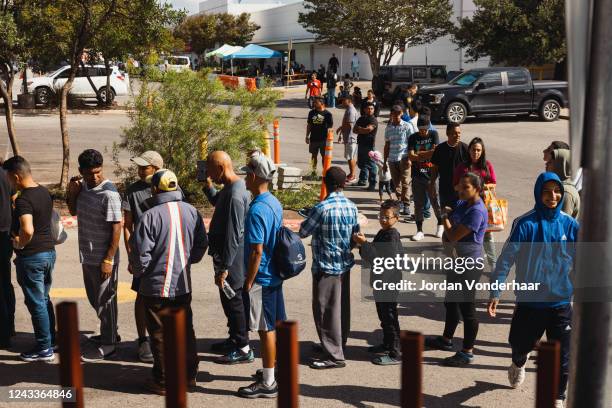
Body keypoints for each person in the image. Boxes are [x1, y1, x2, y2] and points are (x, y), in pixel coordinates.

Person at [488, 172, 579, 408]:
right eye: (547, 191)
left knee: (563, 359)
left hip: (560, 303)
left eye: (557, 191)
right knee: (519, 345)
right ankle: (519, 361)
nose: (553, 196)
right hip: (530, 303)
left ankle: (558, 398)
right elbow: (506, 259)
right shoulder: (525, 224)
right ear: (538, 193)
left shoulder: (570, 225)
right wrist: (496, 290)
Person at [129, 169, 208, 394]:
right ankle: (189, 376)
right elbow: (202, 244)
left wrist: (140, 272)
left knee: (160, 335)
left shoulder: (150, 216)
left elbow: (140, 255)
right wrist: (186, 261)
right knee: (185, 331)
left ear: (155, 189)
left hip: (155, 287)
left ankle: (163, 381)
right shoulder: (192, 212)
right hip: (182, 284)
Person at [299, 166, 360, 369]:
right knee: (341, 308)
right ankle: (337, 344)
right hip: (344, 264)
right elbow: (355, 235)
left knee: (325, 310)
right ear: (343, 184)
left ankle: (334, 356)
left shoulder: (322, 208)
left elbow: (303, 231)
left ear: (326, 183)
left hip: (325, 266)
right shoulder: (352, 206)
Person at [425, 173, 488, 367]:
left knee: (467, 310)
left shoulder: (477, 211)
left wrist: (444, 217)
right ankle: (446, 340)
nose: (460, 190)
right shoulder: (463, 204)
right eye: (459, 186)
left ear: (477, 189)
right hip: (455, 261)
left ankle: (467, 352)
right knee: (450, 303)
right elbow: (450, 232)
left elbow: (452, 234)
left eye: (465, 187)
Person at [237, 151, 286, 398]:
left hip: (263, 278)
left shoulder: (257, 210)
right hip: (274, 275)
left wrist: (248, 281)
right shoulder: (273, 202)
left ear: (254, 176)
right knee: (273, 326)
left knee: (265, 329)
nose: (244, 178)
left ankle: (268, 383)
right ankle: (272, 371)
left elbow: (257, 251)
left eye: (246, 174)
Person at [67, 149, 122, 362]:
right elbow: (73, 211)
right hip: (87, 255)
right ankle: (110, 333)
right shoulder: (83, 188)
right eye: (90, 173)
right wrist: (73, 192)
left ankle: (109, 344)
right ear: (81, 171)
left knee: (105, 300)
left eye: (98, 172)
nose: (95, 177)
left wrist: (108, 259)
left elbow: (117, 227)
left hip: (103, 258)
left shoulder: (109, 193)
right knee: (95, 298)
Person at [3, 156, 56, 362]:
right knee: (44, 298)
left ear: (16, 176)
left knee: (36, 303)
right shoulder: (43, 191)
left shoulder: (25, 199)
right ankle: (51, 339)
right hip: (48, 253)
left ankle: (44, 348)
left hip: (32, 256)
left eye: (8, 178)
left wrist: (19, 243)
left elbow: (27, 228)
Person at [203, 151, 253, 364]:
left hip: (231, 258)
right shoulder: (230, 189)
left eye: (211, 170)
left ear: (221, 168)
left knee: (234, 300)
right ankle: (234, 338)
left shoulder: (234, 194)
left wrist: (225, 266)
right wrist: (209, 188)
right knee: (229, 299)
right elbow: (220, 205)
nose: (209, 173)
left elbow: (234, 234)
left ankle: (243, 348)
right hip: (226, 257)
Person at [122, 151, 164, 364]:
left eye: (144, 167)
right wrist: (131, 254)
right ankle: (142, 340)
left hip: (165, 253)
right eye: (138, 167)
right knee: (141, 296)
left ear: (156, 169)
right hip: (144, 253)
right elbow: (127, 226)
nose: (139, 171)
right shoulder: (132, 191)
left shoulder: (169, 187)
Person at [353, 199, 402, 365]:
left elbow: (379, 259)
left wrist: (364, 244)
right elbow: (371, 256)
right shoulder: (383, 233)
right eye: (381, 215)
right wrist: (362, 245)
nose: (383, 219)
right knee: (383, 315)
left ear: (397, 218)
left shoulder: (392, 236)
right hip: (381, 282)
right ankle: (387, 344)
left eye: (387, 217)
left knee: (389, 317)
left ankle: (395, 352)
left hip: (389, 283)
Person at [453, 137, 497, 269]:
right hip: (466, 207)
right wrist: (467, 190)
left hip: (484, 206)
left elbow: (493, 184)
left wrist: (479, 189)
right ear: (469, 150)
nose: (476, 153)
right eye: (473, 150)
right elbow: (455, 186)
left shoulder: (487, 165)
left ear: (482, 151)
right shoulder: (462, 167)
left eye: (478, 150)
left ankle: (493, 265)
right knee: (466, 236)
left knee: (488, 236)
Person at [408, 115, 442, 240]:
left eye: (425, 129)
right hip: (417, 176)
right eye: (421, 129)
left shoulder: (434, 134)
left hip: (431, 175)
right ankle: (419, 230)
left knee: (436, 202)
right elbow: (411, 156)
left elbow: (436, 152)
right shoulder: (413, 137)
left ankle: (440, 224)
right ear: (418, 128)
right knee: (418, 204)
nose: (424, 131)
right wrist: (427, 154)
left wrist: (419, 154)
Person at [384, 104, 417, 218]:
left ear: (402, 114)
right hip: (392, 159)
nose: (396, 116)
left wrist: (410, 158)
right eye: (394, 114)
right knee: (396, 184)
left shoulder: (407, 126)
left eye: (398, 113)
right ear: (391, 115)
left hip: (404, 158)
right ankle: (400, 202)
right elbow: (387, 145)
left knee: (405, 182)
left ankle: (406, 204)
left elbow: (412, 143)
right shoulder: (388, 128)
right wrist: (384, 162)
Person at [430, 123, 469, 210]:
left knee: (460, 218)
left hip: (461, 190)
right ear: (447, 133)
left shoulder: (465, 149)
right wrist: (432, 184)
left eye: (459, 133)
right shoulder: (440, 149)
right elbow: (434, 168)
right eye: (455, 133)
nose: (457, 135)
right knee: (446, 217)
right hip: (445, 190)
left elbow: (471, 170)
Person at [0, 164, 15, 349]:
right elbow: (14, 201)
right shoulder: (7, 174)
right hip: (6, 235)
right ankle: (9, 327)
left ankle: (3, 335)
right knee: (5, 283)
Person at [546, 149, 580, 218]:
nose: (546, 164)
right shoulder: (558, 186)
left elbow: (562, 225)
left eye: (550, 162)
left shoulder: (566, 192)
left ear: (560, 165)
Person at [354, 102, 378, 190]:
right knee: (361, 163)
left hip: (369, 145)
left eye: (372, 109)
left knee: (371, 165)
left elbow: (368, 130)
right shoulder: (361, 118)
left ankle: (372, 183)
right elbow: (354, 130)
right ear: (364, 109)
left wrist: (360, 129)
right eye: (368, 108)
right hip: (361, 143)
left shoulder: (373, 120)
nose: (370, 110)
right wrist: (362, 130)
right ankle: (362, 180)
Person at [306, 97, 334, 174]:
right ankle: (313, 172)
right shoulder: (311, 113)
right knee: (313, 156)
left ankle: (324, 172)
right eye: (314, 102)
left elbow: (330, 128)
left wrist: (329, 140)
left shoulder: (328, 114)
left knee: (324, 157)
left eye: (316, 102)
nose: (314, 104)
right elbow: (309, 125)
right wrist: (307, 136)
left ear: (321, 103)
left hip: (324, 140)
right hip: (313, 138)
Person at [337, 96, 360, 183]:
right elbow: (346, 123)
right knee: (349, 157)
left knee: (351, 157)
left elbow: (350, 125)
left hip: (351, 138)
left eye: (344, 100)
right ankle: (351, 174)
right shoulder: (348, 109)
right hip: (348, 137)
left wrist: (341, 134)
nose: (342, 102)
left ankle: (353, 175)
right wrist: (341, 130)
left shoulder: (351, 110)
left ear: (349, 101)